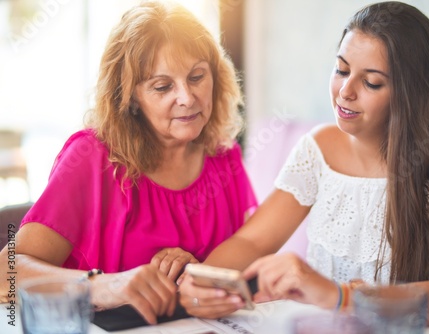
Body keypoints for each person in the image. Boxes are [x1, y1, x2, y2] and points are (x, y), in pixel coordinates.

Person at [178, 1, 429, 332]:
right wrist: (201, 281)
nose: (345, 92)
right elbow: (253, 243)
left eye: (371, 82)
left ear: (410, 93)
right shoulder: (318, 149)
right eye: (342, 70)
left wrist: (340, 296)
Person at [0, 0, 257, 325]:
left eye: (197, 77)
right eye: (163, 86)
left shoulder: (224, 154)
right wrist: (105, 284)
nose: (187, 98)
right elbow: (5, 272)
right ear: (130, 95)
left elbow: (251, 260)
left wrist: (199, 270)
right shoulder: (90, 158)